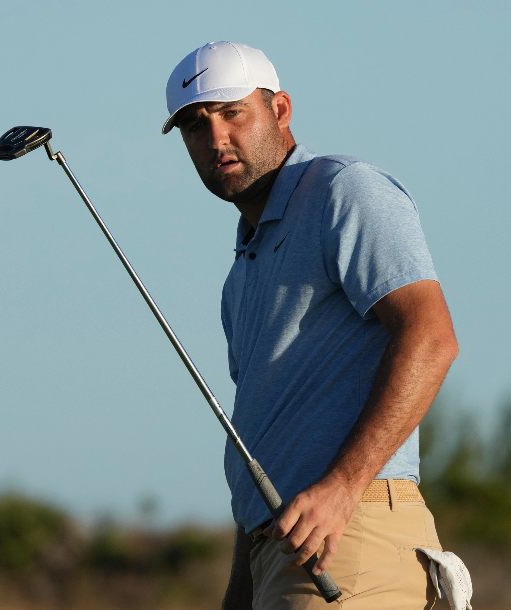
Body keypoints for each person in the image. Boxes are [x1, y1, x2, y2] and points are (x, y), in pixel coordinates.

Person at [161, 42, 461, 609]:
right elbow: (264, 444)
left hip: (350, 537)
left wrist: (343, 489)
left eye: (233, 114)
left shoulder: (344, 190)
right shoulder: (240, 273)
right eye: (196, 126)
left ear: (280, 111)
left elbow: (432, 336)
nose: (217, 139)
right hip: (279, 552)